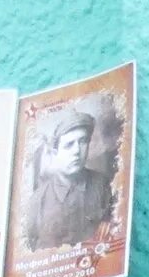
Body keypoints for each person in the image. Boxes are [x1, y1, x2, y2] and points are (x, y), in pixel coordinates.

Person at [18, 107, 115, 251]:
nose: (77, 151)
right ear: (54, 152)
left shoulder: (103, 185)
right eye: (69, 145)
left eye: (83, 142)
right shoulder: (37, 201)